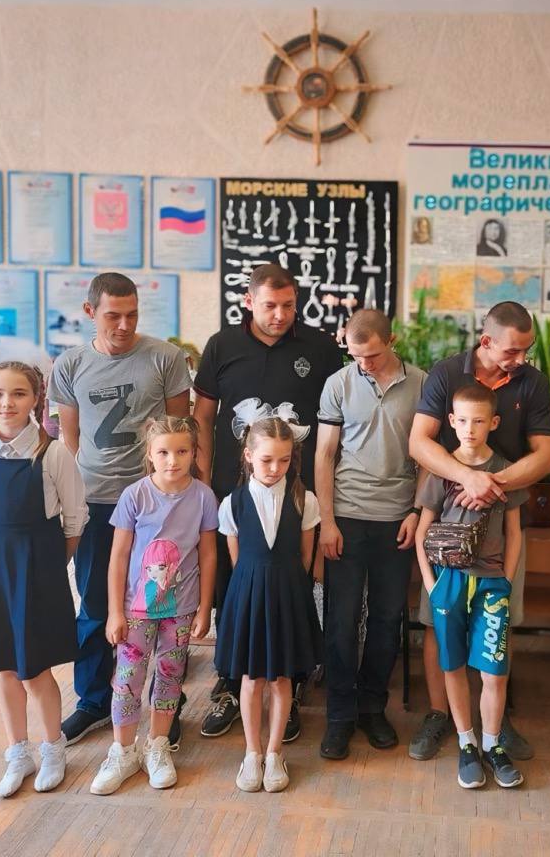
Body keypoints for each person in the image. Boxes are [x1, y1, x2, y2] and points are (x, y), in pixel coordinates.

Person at [193, 263, 342, 742]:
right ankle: (230, 680)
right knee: (233, 585)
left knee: (291, 587)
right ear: (249, 302)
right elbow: (203, 416)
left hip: (297, 492)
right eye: (270, 306)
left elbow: (335, 420)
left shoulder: (320, 347)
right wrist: (203, 479)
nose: (280, 315)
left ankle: (288, 684)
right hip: (235, 489)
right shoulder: (222, 346)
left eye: (288, 306)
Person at [407, 301, 550, 764]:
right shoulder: (446, 373)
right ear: (486, 340)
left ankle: (495, 723)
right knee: (438, 624)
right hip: (447, 528)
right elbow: (419, 442)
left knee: (497, 627)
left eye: (527, 350)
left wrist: (493, 483)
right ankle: (441, 715)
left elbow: (546, 454)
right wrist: (464, 477)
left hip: (501, 521)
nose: (521, 359)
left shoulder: (532, 382)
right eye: (512, 351)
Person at [49, 273, 192, 746]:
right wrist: (73, 498)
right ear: (90, 312)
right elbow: (70, 440)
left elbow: (178, 431)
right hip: (96, 501)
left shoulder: (166, 358)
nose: (125, 325)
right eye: (114, 315)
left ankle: (164, 704)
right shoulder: (70, 365)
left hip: (154, 505)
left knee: (160, 606)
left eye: (132, 314)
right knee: (95, 605)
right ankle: (93, 701)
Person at [0, 362, 88, 798]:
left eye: (18, 394)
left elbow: (75, 519)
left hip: (38, 570)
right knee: (4, 666)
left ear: (35, 400)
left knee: (35, 669)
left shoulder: (53, 454)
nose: (6, 403)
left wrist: (50, 567)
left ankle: (53, 747)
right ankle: (17, 752)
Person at [316, 310, 425, 760]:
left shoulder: (422, 384)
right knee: (341, 620)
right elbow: (325, 454)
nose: (364, 364)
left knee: (386, 618)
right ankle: (340, 715)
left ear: (392, 340)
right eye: (355, 356)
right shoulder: (338, 383)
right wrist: (326, 520)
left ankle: (372, 708)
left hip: (397, 518)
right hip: (346, 515)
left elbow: (426, 455)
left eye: (373, 355)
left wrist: (417, 511)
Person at [89, 417, 218, 795]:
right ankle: (122, 751)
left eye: (181, 451)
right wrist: (115, 611)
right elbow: (118, 557)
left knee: (170, 677)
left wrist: (204, 608)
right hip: (135, 611)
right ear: (149, 453)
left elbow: (208, 556)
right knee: (127, 679)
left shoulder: (204, 497)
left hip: (180, 610)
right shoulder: (134, 496)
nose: (172, 460)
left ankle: (157, 746)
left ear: (194, 453)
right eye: (163, 452)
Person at [414, 383, 527, 790]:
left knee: (494, 670)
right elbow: (421, 532)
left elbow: (514, 533)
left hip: (492, 585)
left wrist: (506, 580)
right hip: (449, 584)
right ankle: (466, 743)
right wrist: (432, 587)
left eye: (479, 421)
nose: (470, 429)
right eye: (462, 421)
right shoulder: (442, 470)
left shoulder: (506, 471)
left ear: (493, 422)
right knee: (454, 665)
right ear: (451, 421)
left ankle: (493, 745)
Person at [214, 416, 322, 794]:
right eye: (266, 460)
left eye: (284, 460)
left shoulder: (304, 499)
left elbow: (306, 556)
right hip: (248, 595)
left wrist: (287, 585)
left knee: (281, 678)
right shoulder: (232, 503)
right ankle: (252, 752)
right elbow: (236, 557)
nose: (276, 468)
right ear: (248, 456)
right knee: (251, 678)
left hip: (287, 594)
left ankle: (275, 753)